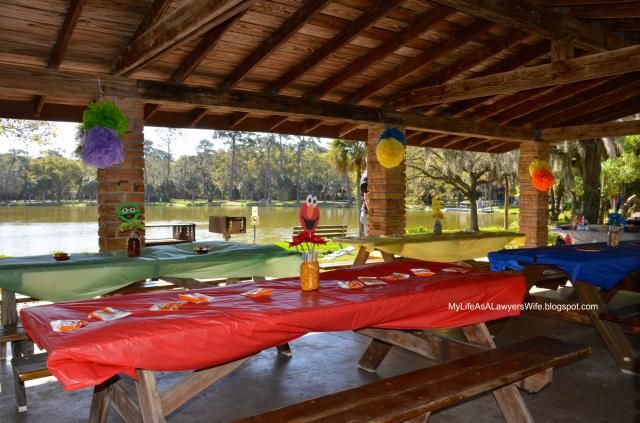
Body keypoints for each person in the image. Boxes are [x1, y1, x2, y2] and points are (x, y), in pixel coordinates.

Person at [360, 170, 369, 236]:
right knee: (370, 241)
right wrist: (371, 211)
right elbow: (366, 197)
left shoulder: (368, 175)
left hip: (367, 214)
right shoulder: (366, 177)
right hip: (367, 214)